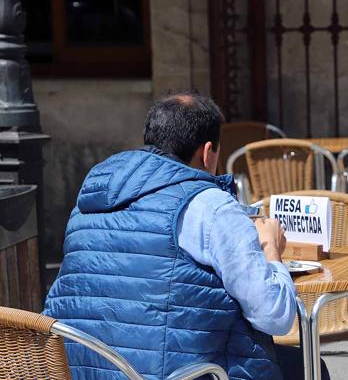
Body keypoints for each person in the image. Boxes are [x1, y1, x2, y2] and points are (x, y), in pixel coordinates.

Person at [43, 92, 330, 380]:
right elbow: (274, 317)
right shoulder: (211, 206)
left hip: (80, 370)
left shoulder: (91, 198)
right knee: (310, 365)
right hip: (183, 375)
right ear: (207, 153)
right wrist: (270, 248)